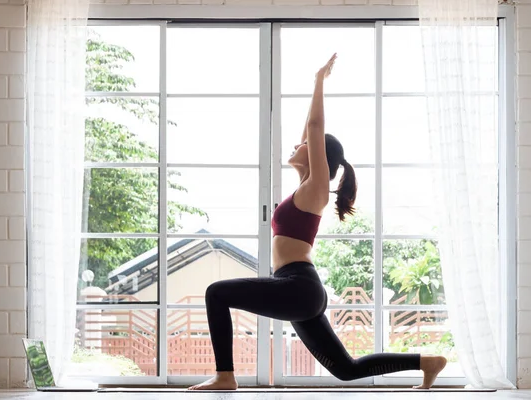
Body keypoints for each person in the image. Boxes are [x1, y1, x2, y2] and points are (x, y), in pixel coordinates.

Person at [188, 54, 447, 391]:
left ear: (317, 156)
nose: (298, 143)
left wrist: (319, 81)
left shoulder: (316, 190)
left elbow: (314, 128)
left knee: (216, 294)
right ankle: (427, 363)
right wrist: (311, 120)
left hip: (297, 286)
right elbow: (309, 132)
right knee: (345, 368)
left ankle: (226, 375)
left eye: (305, 145)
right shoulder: (304, 186)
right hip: (296, 289)